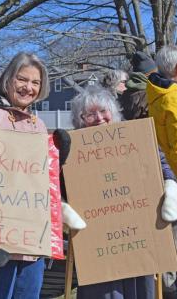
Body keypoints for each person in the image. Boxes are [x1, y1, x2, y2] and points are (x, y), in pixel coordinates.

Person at [0, 52, 80, 299]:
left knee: (29, 294)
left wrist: (57, 160)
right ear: (9, 79)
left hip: (32, 233)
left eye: (35, 82)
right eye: (22, 79)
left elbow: (41, 180)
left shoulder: (37, 124)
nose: (28, 87)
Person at [70, 84, 154, 299]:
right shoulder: (73, 150)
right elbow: (61, 185)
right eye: (90, 114)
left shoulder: (135, 137)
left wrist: (170, 190)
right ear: (80, 120)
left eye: (103, 111)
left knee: (139, 285)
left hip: (136, 231)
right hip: (97, 238)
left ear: (113, 111)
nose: (98, 118)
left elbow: (160, 165)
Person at [146, 45, 177, 299]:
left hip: (171, 172)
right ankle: (166, 284)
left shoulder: (157, 93)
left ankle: (168, 280)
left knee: (173, 231)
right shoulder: (173, 96)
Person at [119, 51, 177, 223]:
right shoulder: (153, 96)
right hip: (158, 155)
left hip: (130, 160)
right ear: (151, 74)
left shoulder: (122, 99)